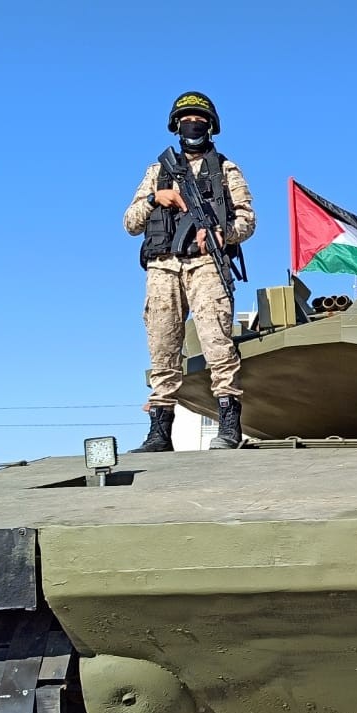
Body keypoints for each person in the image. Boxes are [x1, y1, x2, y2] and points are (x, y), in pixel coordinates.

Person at [123, 91, 256, 451]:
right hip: (162, 267)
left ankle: (228, 424)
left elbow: (247, 219)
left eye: (198, 120)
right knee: (162, 346)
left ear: (210, 126)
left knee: (217, 342)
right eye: (186, 121)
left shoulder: (226, 169)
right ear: (176, 126)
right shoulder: (158, 172)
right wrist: (156, 198)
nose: (192, 126)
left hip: (206, 264)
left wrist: (222, 233)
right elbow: (130, 222)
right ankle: (159, 431)